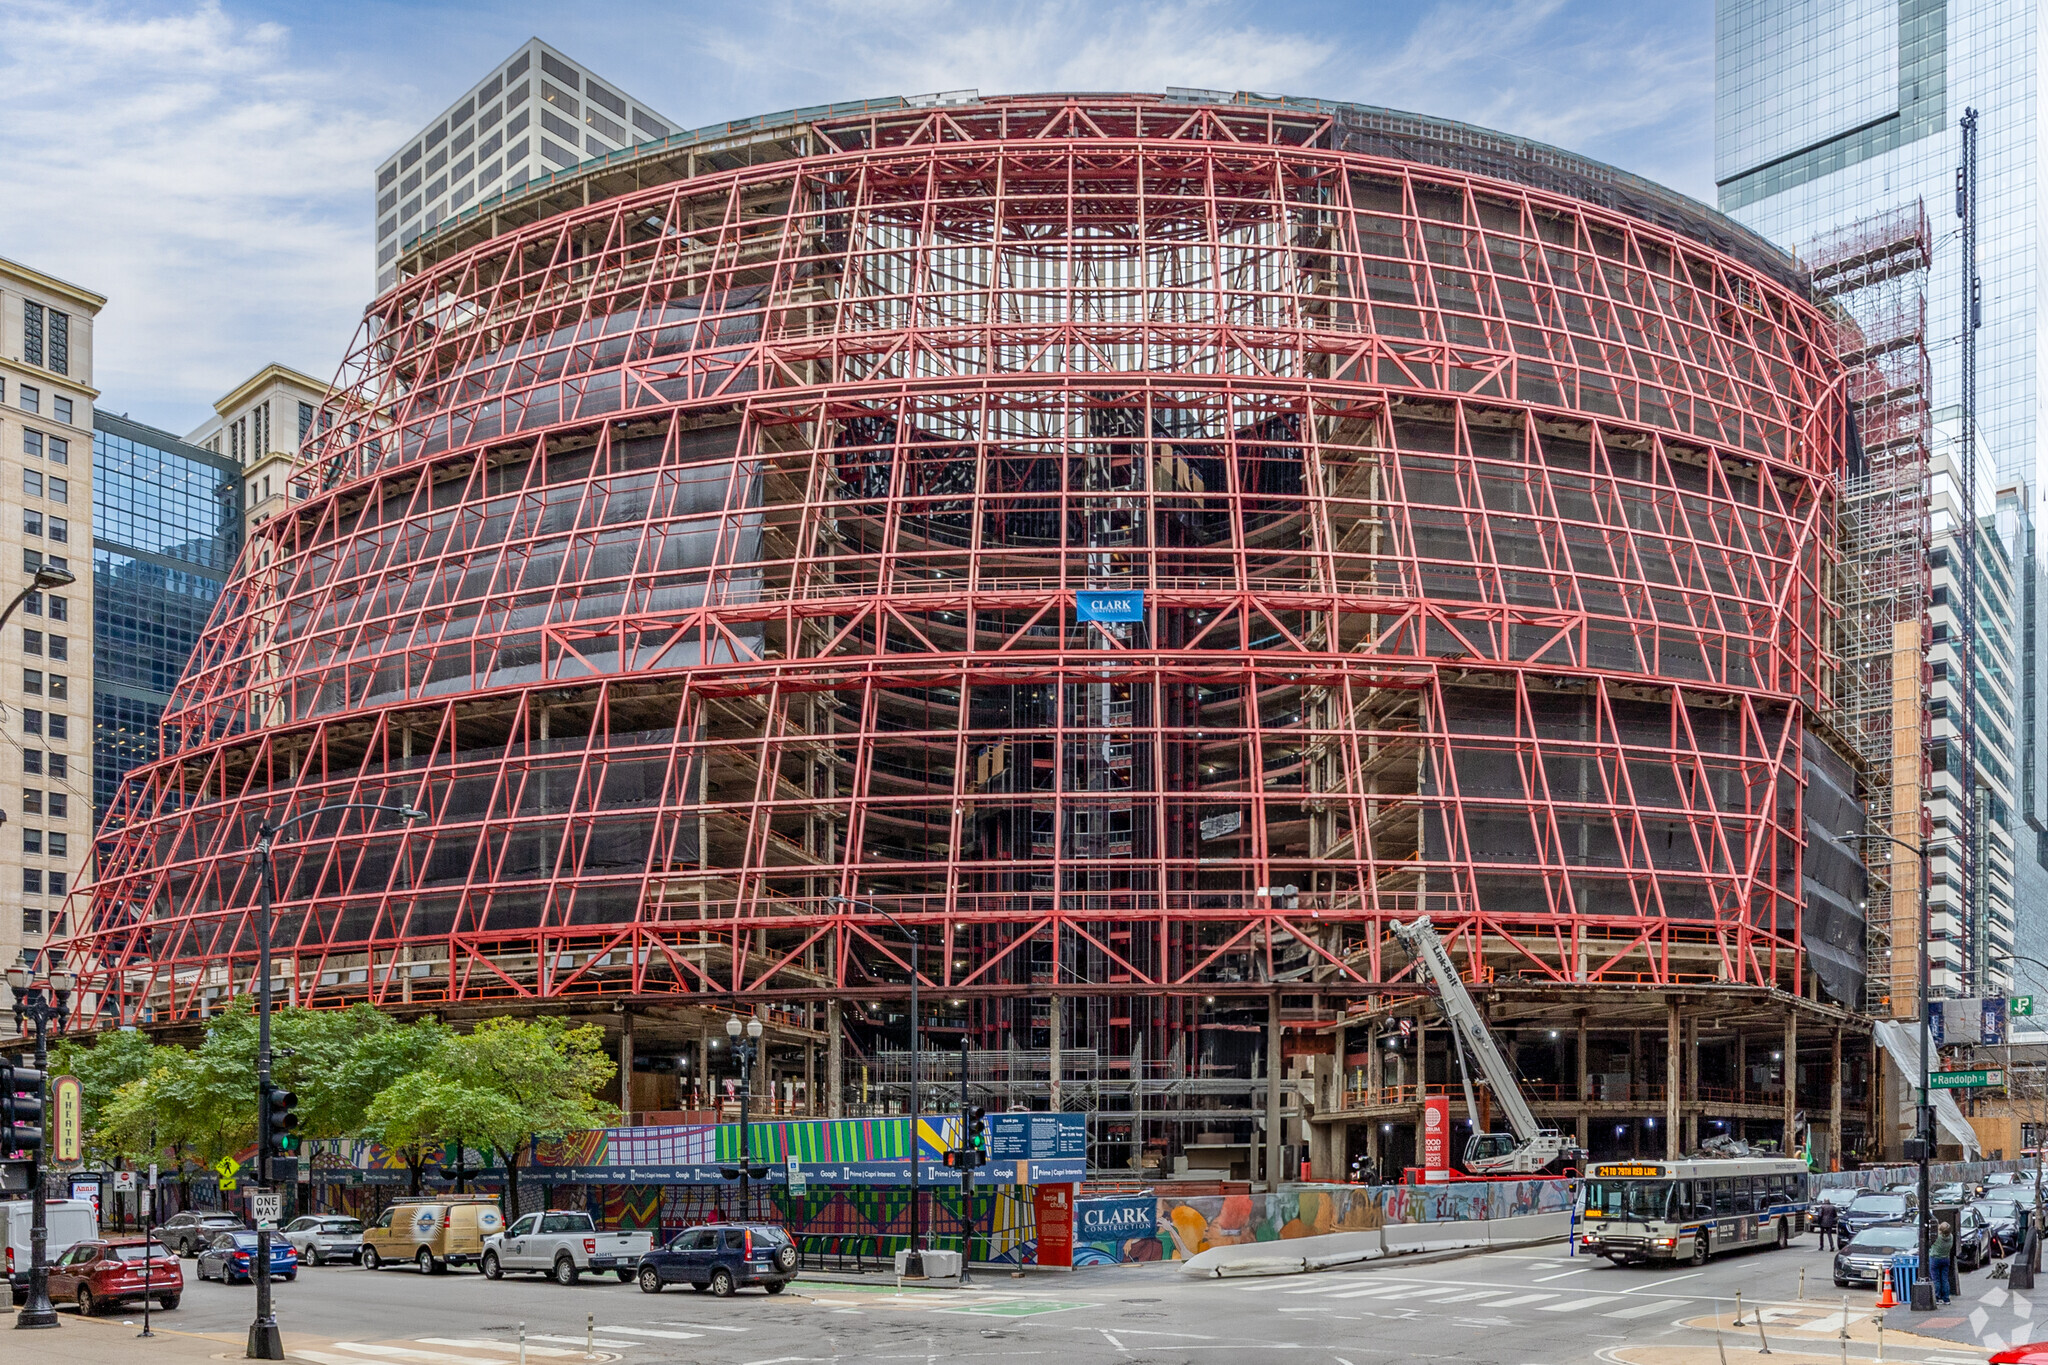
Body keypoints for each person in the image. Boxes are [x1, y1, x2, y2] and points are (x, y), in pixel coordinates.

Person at [1931, 1218, 1956, 1304]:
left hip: (1935, 1258)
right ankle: (1946, 1298)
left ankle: (1938, 1298)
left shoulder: (1937, 1238)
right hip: (1946, 1258)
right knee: (1945, 1279)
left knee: (1936, 1280)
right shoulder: (1951, 1237)